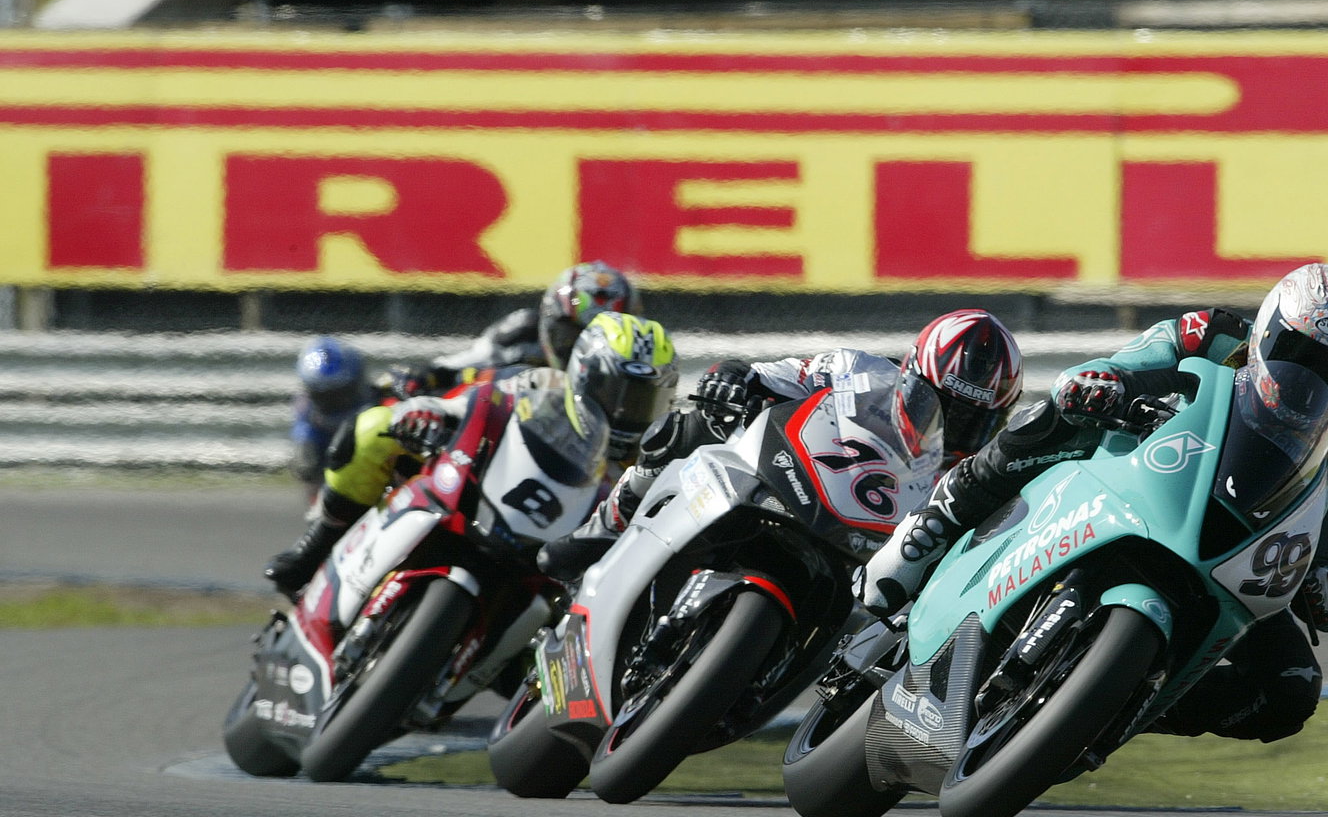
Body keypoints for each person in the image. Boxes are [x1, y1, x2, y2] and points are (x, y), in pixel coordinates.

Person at [857, 263, 1328, 744]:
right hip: (1129, 474)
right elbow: (1124, 364)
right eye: (1299, 356)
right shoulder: (1213, 334)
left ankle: (1118, 702)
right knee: (1054, 415)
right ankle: (936, 523)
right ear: (1269, 332)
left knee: (1291, 691)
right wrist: (1106, 383)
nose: (1312, 378)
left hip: (1230, 556)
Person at [538, 308, 1024, 580]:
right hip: (799, 484)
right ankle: (604, 528)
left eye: (971, 421)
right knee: (689, 427)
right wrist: (733, 381)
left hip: (873, 563)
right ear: (909, 374)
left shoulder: (982, 476)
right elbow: (772, 376)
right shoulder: (858, 369)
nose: (949, 426)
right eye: (938, 404)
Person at [263, 312, 678, 598]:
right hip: (483, 492)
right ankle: (315, 548)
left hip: (552, 565)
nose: (624, 412)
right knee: (373, 427)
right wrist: (429, 410)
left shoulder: (653, 461)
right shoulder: (535, 381)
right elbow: (473, 397)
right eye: (616, 396)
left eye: (641, 402)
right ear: (585, 375)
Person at [379, 261, 642, 398]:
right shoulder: (522, 331)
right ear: (549, 322)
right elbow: (460, 364)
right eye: (573, 336)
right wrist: (427, 375)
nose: (581, 350)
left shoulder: (641, 355)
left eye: (599, 340)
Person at [289, 336, 378, 491]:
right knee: (307, 467)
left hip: (364, 437)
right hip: (325, 449)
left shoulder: (375, 401)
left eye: (340, 392)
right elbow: (304, 463)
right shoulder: (306, 413)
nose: (333, 400)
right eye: (323, 395)